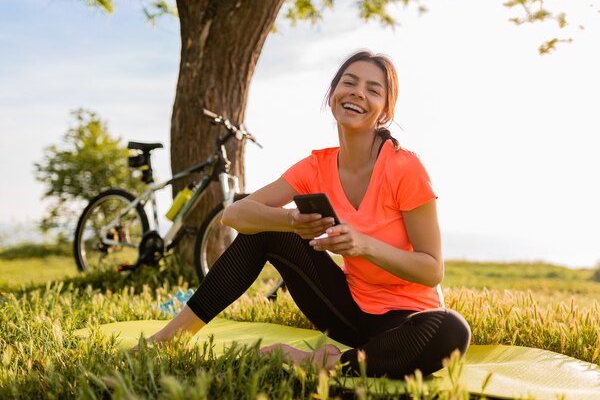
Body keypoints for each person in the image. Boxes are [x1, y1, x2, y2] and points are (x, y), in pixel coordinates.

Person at [144, 50, 471, 379]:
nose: (358, 92)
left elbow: (432, 270)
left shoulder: (405, 167)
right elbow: (234, 215)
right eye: (349, 82)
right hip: (349, 313)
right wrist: (290, 221)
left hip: (409, 323)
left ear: (384, 112)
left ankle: (324, 362)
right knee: (268, 229)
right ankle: (169, 339)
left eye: (373, 89)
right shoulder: (315, 167)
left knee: (453, 331)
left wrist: (363, 245)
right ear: (332, 95)